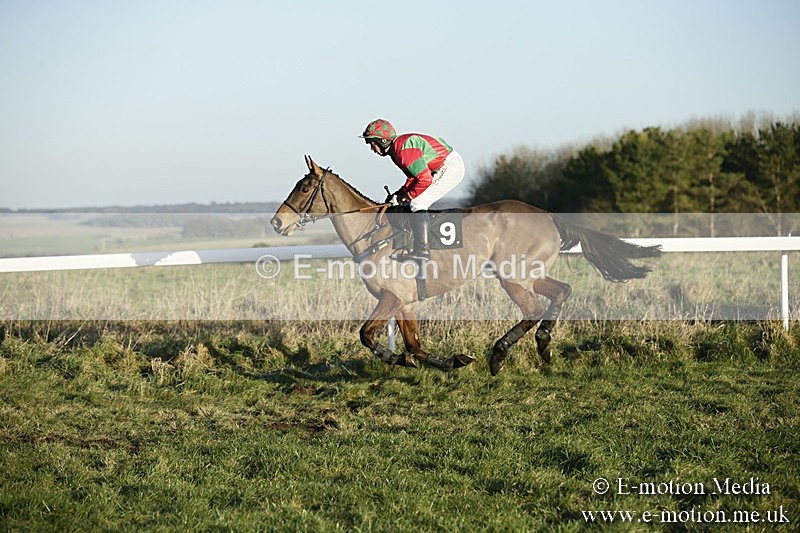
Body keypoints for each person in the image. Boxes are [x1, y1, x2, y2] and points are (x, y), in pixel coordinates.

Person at [359, 119, 465, 260]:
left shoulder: (402, 151)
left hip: (449, 167)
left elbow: (424, 179)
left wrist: (405, 197)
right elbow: (413, 177)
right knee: (412, 202)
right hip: (442, 166)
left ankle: (422, 251)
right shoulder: (397, 150)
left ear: (383, 141)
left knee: (418, 204)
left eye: (372, 144)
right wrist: (400, 193)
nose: (372, 149)